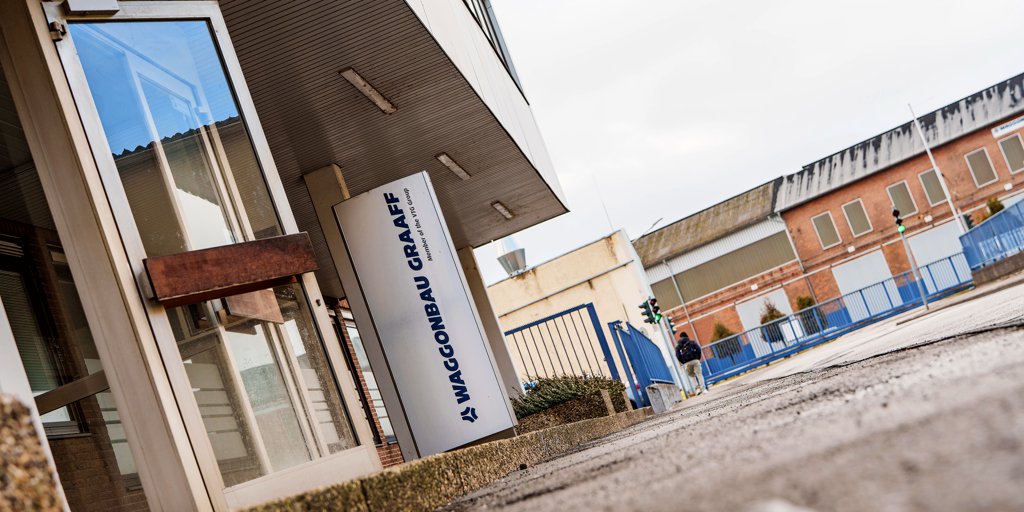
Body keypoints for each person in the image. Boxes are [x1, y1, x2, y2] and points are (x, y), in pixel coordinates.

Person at [675, 332, 706, 396]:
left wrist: (683, 362)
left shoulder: (679, 346)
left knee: (692, 376)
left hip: (687, 363)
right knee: (699, 374)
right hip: (695, 360)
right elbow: (698, 349)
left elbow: (677, 355)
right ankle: (703, 389)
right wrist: (698, 358)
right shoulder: (692, 342)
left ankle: (697, 390)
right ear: (687, 336)